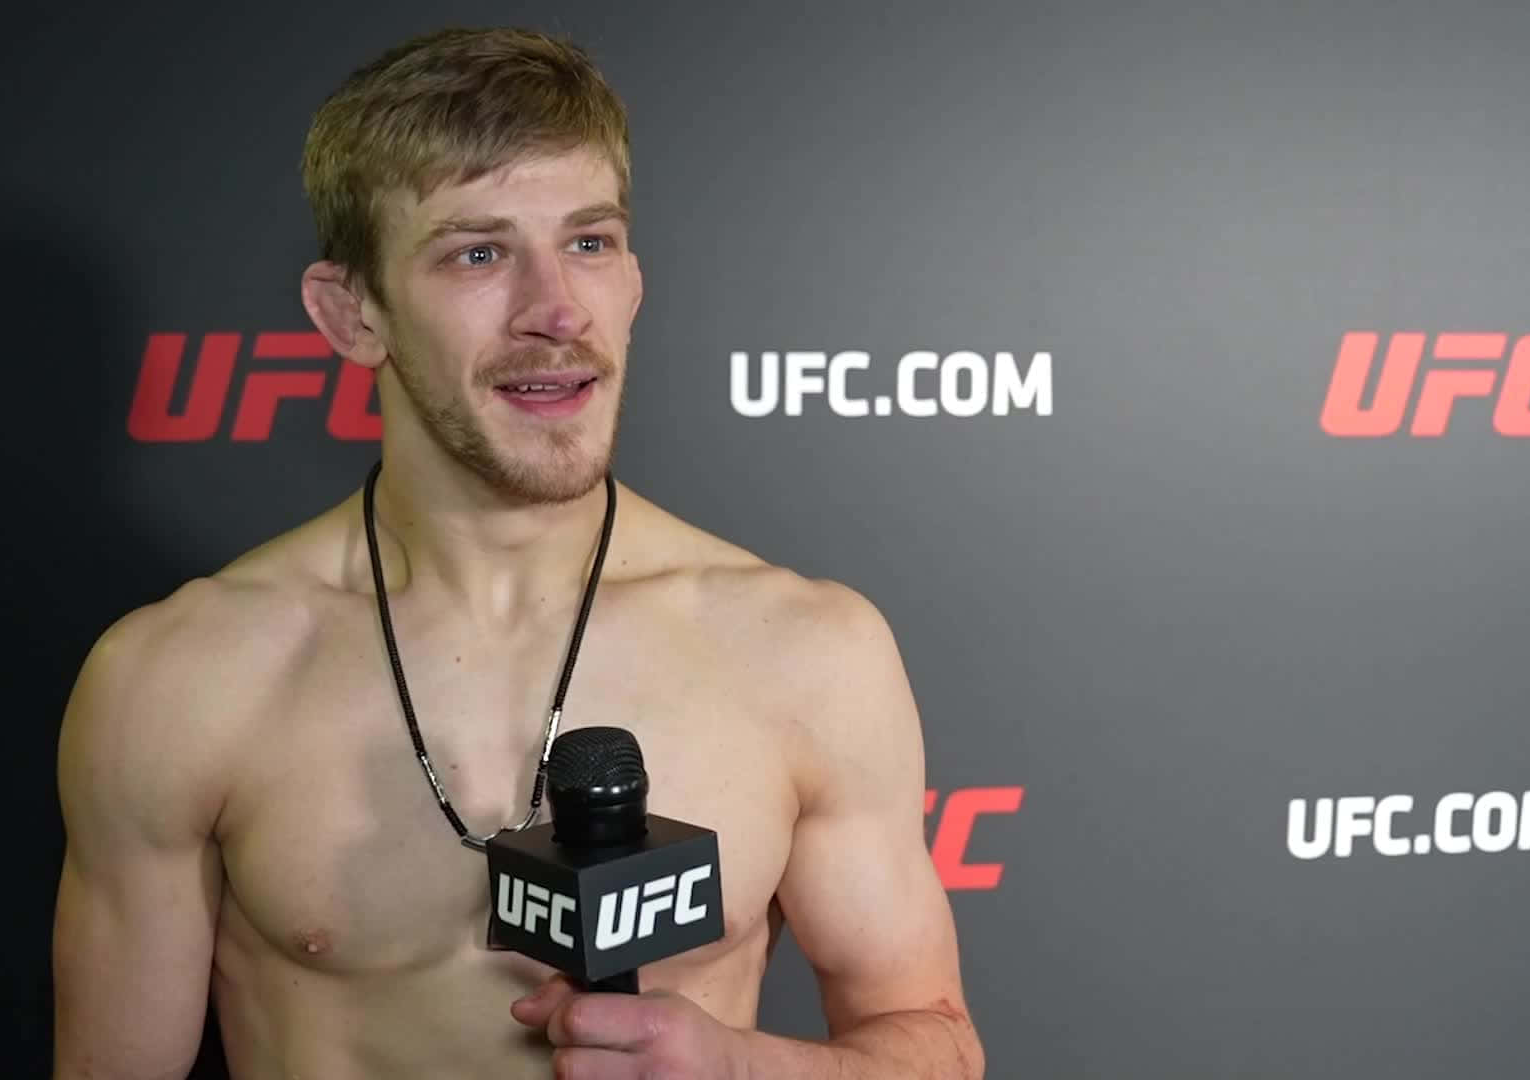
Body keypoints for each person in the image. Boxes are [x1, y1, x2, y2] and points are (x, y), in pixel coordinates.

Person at [50, 25, 984, 1080]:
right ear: (353, 314)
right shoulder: (182, 678)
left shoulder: (806, 652)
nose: (556, 310)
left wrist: (741, 1068)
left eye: (590, 242)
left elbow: (935, 1044)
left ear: (634, 278)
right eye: (478, 253)